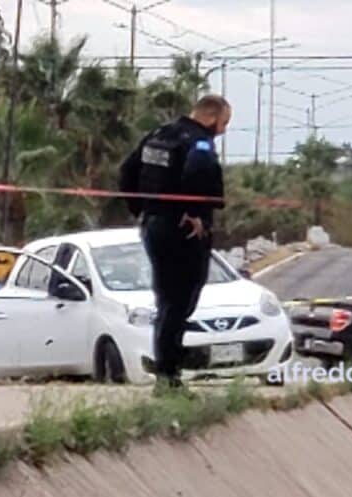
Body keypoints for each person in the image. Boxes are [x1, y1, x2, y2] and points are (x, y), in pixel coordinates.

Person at [119, 95, 230, 394]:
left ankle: (168, 372)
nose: (223, 130)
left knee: (167, 300)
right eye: (224, 123)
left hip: (154, 227)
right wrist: (192, 214)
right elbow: (198, 172)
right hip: (184, 232)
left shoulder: (157, 136)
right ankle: (168, 376)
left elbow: (126, 171)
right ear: (211, 117)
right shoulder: (200, 142)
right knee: (181, 300)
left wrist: (141, 210)